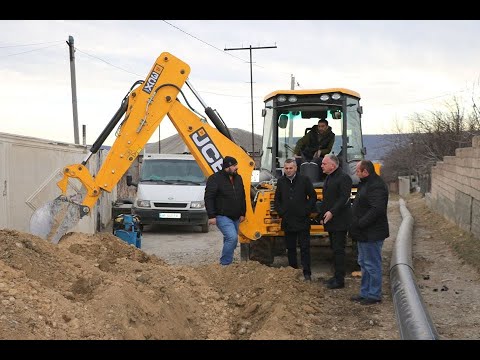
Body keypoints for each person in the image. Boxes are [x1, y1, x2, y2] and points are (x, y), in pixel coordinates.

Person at [349, 160, 389, 305]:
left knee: (372, 264)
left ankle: (374, 294)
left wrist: (360, 223)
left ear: (365, 171)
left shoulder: (376, 186)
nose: (356, 173)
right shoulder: (366, 183)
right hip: (363, 233)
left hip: (372, 232)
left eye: (358, 171)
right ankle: (365, 292)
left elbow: (376, 210)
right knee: (364, 263)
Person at [274, 158, 317, 281]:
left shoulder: (304, 180)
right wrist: (282, 212)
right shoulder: (281, 182)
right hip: (288, 220)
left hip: (302, 220)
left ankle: (307, 273)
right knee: (290, 248)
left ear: (295, 168)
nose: (288, 170)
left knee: (304, 248)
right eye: (286, 168)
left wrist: (306, 210)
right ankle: (293, 272)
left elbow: (313, 196)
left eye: (290, 168)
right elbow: (277, 200)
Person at [204, 156, 246, 266]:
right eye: (234, 165)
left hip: (236, 216)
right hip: (222, 215)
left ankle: (227, 265)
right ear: (227, 167)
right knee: (232, 238)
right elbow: (209, 197)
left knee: (229, 239)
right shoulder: (215, 179)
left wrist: (242, 213)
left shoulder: (238, 178)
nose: (237, 167)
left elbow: (242, 196)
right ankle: (225, 264)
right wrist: (211, 215)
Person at [320, 154, 353, 289]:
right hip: (331, 221)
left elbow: (343, 198)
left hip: (340, 221)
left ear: (332, 165)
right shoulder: (329, 177)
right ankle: (335, 276)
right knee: (334, 249)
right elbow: (327, 199)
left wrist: (332, 212)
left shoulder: (344, 178)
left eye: (324, 163)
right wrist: (322, 216)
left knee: (339, 250)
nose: (321, 165)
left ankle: (340, 280)